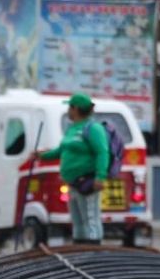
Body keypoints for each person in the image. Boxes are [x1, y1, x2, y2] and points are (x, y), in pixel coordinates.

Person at [32, 92, 109, 245]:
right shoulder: (72, 128)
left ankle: (93, 250)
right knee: (77, 219)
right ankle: (79, 248)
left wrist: (100, 177)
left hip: (87, 181)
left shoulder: (93, 129)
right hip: (73, 182)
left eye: (70, 107)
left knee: (90, 218)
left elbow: (102, 152)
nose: (68, 110)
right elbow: (61, 150)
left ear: (76, 109)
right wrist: (42, 156)